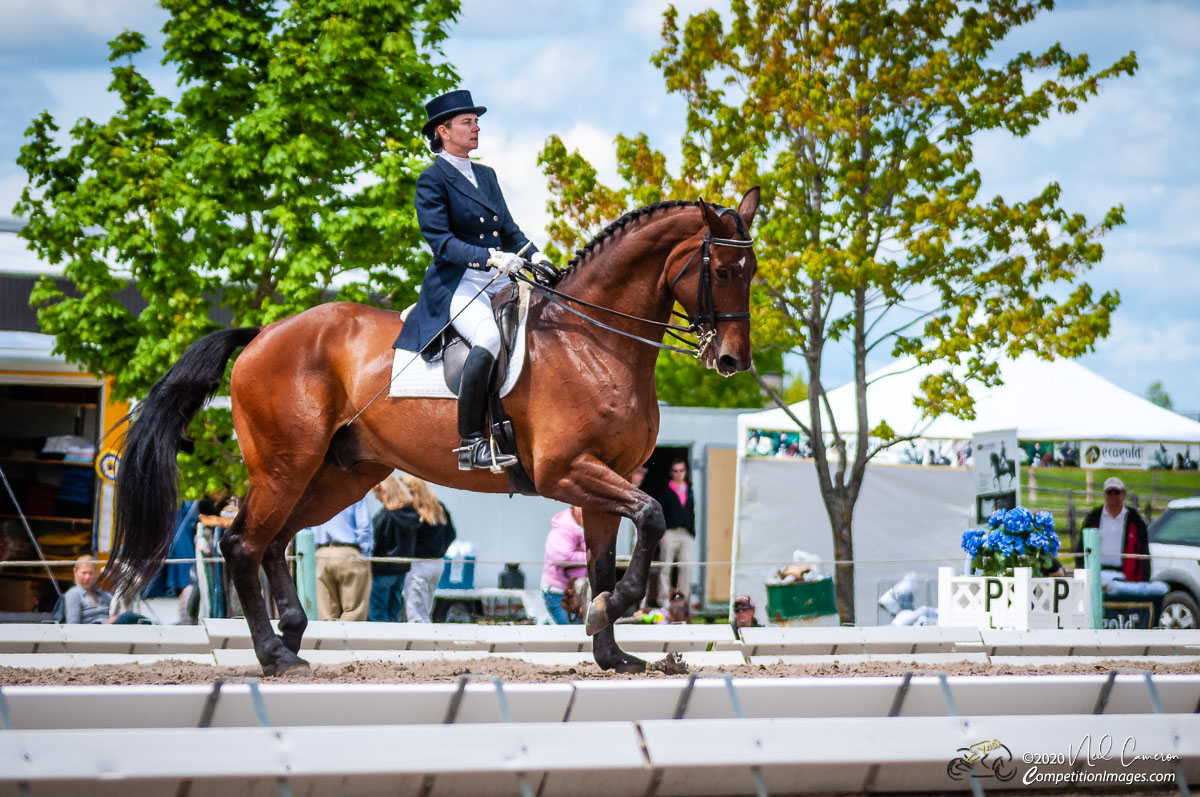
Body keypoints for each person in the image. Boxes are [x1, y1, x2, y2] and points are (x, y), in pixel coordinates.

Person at [393, 88, 554, 471]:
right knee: (488, 337)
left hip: (500, 278)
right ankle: (472, 442)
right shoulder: (432, 180)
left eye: (476, 121)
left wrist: (537, 256)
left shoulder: (487, 174)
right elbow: (441, 242)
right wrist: (488, 257)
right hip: (459, 282)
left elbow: (510, 231)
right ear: (443, 131)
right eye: (467, 122)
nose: (476, 127)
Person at [400, 475, 456, 623]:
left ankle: (419, 642)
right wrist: (440, 550)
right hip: (437, 563)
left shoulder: (412, 512)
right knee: (426, 606)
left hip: (418, 563)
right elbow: (452, 534)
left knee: (415, 610)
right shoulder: (438, 507)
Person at [308, 495, 373, 621]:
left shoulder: (315, 492)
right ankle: (348, 640)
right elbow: (364, 525)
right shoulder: (355, 491)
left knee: (326, 612)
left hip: (321, 553)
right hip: (348, 551)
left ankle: (329, 640)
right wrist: (366, 554)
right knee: (354, 610)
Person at [1081, 476, 1149, 582]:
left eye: (1116, 492)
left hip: (1125, 576)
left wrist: (1143, 579)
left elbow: (1143, 550)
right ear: (1104, 495)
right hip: (1097, 573)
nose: (1113, 495)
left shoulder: (1135, 519)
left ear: (1124, 494)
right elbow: (1082, 546)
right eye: (1109, 492)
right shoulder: (1093, 517)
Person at [367, 475, 415, 622]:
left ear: (385, 491)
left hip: (383, 570)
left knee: (378, 612)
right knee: (393, 611)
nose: (376, 498)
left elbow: (376, 540)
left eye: (377, 493)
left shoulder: (385, 516)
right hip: (401, 570)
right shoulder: (411, 514)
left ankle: (379, 644)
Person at [655, 457, 696, 606]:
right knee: (665, 566)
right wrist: (663, 531)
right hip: (670, 533)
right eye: (676, 471)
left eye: (682, 470)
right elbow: (658, 511)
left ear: (686, 472)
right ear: (671, 473)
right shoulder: (665, 489)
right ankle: (664, 599)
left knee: (686, 566)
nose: (679, 474)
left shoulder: (689, 488)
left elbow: (692, 511)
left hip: (686, 534)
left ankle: (683, 600)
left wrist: (692, 532)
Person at [62, 555, 143, 624]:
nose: (87, 577)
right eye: (84, 573)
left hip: (112, 632)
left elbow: (117, 613)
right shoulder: (73, 595)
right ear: (75, 572)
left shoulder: (104, 595)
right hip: (94, 635)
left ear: (96, 573)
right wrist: (107, 624)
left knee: (139, 619)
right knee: (129, 617)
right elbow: (73, 626)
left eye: (91, 573)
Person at [541, 506, 587, 625]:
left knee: (582, 634)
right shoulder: (563, 529)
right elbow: (561, 557)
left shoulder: (590, 525)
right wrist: (591, 558)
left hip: (581, 592)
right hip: (559, 593)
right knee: (573, 633)